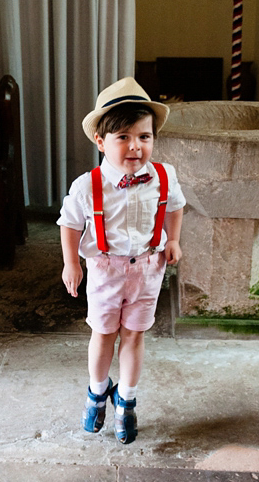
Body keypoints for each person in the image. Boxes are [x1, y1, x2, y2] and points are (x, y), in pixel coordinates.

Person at [57, 77, 185, 444]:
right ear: (101, 141)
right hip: (104, 271)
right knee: (103, 334)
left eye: (144, 137)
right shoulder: (88, 185)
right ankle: (98, 391)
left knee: (134, 335)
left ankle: (126, 399)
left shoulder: (164, 176)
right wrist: (72, 263)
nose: (135, 146)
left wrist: (172, 239)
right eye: (124, 137)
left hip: (147, 270)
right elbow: (68, 224)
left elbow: (175, 207)